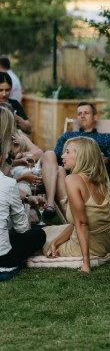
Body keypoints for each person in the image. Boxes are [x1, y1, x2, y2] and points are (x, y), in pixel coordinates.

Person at [42, 137, 110, 273]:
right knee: (48, 231)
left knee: (38, 238)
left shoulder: (73, 180)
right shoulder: (100, 180)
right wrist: (56, 242)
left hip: (87, 247)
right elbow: (79, 223)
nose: (62, 156)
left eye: (67, 152)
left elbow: (82, 223)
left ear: (81, 156)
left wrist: (86, 263)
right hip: (106, 243)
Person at [40, 102, 110, 220]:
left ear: (95, 117)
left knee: (59, 169)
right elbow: (57, 157)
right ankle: (52, 205)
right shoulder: (68, 136)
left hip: (93, 176)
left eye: (86, 113)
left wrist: (100, 158)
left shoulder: (106, 137)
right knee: (51, 157)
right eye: (79, 114)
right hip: (68, 173)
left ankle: (69, 220)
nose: (82, 116)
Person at [0, 103, 46, 269]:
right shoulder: (8, 183)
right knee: (38, 234)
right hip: (3, 259)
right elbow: (22, 228)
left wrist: (12, 156)